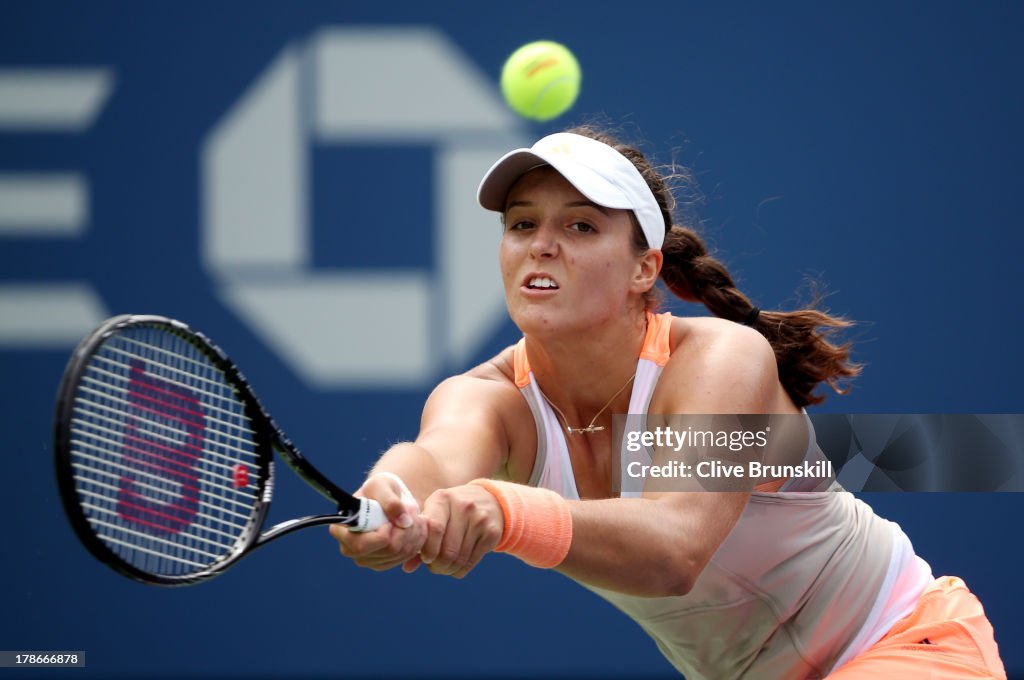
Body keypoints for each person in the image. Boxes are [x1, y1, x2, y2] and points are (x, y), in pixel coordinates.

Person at [329, 126, 1006, 679]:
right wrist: (388, 500)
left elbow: (675, 550)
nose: (541, 243)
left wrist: (506, 509)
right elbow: (431, 459)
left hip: (906, 642)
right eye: (522, 223)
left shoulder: (718, 359)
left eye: (582, 227)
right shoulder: (487, 398)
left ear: (643, 268)